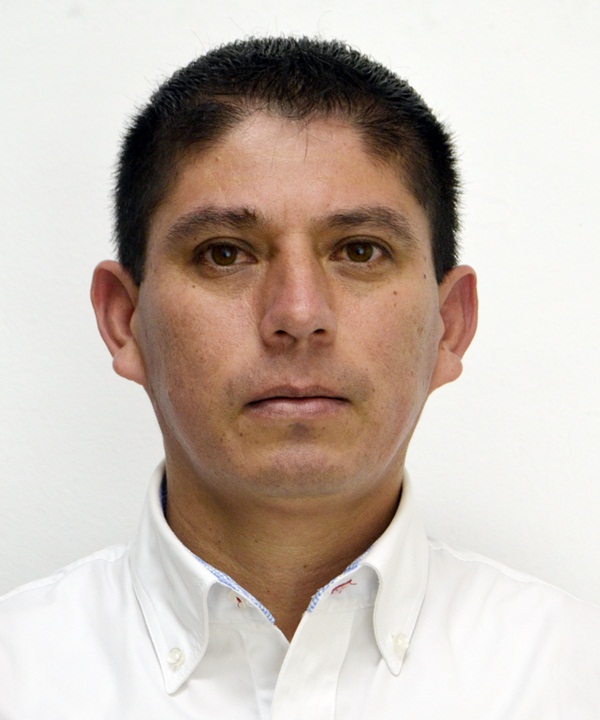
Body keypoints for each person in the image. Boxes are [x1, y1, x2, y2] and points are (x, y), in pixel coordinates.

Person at [1, 36, 598, 718]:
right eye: (224, 253)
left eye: (360, 251)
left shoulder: (572, 678)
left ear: (450, 324)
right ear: (125, 321)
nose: (298, 314)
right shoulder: (19, 677)